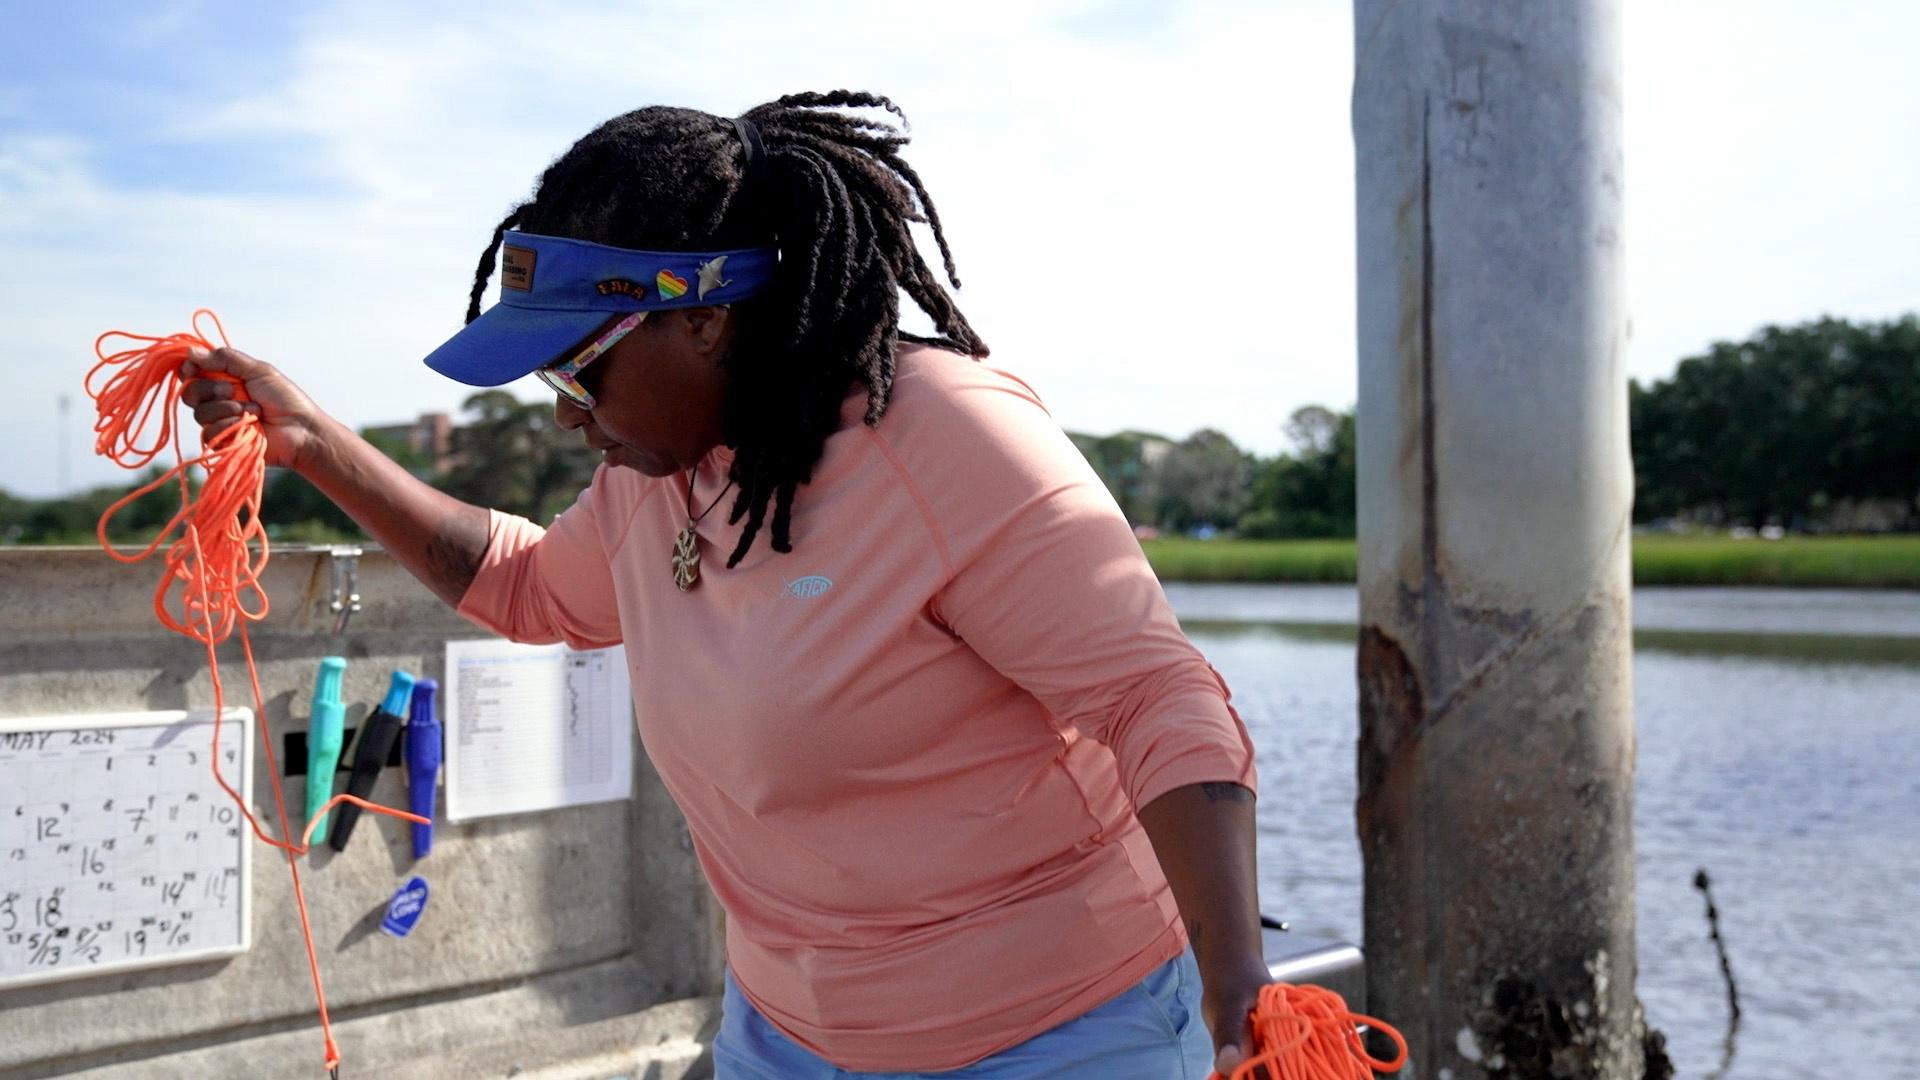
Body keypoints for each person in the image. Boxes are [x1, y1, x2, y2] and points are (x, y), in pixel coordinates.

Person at [180, 91, 1269, 1079]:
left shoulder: (952, 442)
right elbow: (524, 586)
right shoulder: (655, 477)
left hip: (1057, 1039)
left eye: (577, 367)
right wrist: (313, 444)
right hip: (783, 1040)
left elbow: (1152, 699)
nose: (565, 411)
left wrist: (1234, 997)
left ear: (705, 316)